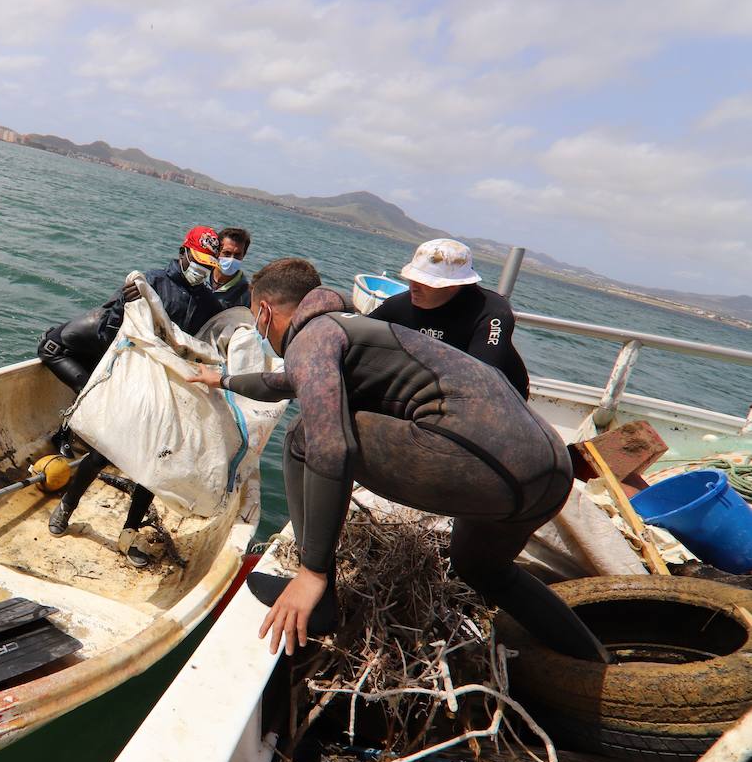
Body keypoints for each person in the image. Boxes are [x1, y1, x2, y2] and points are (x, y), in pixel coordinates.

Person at [188, 258, 606, 662]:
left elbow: (331, 447)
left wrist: (312, 571)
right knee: (484, 570)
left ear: (263, 310)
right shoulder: (353, 326)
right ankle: (595, 660)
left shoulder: (310, 337)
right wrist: (222, 378)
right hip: (549, 471)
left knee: (305, 436)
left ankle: (318, 597)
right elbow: (286, 382)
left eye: (258, 322)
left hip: (485, 466)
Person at [37, 225, 225, 565]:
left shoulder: (210, 303)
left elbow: (207, 347)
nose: (201, 270)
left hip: (174, 392)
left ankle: (129, 531)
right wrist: (125, 307)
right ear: (183, 253)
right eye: (197, 261)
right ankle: (67, 507)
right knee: (102, 450)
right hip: (136, 382)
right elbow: (111, 327)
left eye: (208, 265)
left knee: (156, 465)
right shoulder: (150, 282)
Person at [370, 238, 530, 398]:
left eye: (424, 281)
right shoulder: (398, 305)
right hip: (426, 387)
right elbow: (357, 333)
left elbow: (481, 379)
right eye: (413, 278)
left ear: (453, 285)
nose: (414, 287)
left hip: (500, 398)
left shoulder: (492, 311)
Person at [210, 227, 252, 310]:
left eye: (237, 255)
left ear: (243, 255)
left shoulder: (246, 295)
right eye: (227, 253)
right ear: (217, 252)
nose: (231, 259)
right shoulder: (201, 276)